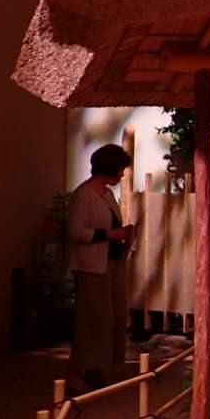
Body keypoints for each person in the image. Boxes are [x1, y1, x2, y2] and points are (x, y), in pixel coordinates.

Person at [67, 143, 133, 390]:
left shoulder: (107, 195)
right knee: (91, 320)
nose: (122, 174)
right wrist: (110, 234)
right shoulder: (83, 195)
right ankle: (78, 372)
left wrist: (124, 234)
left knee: (110, 319)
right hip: (91, 267)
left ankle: (97, 369)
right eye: (120, 169)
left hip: (111, 263)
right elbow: (75, 232)